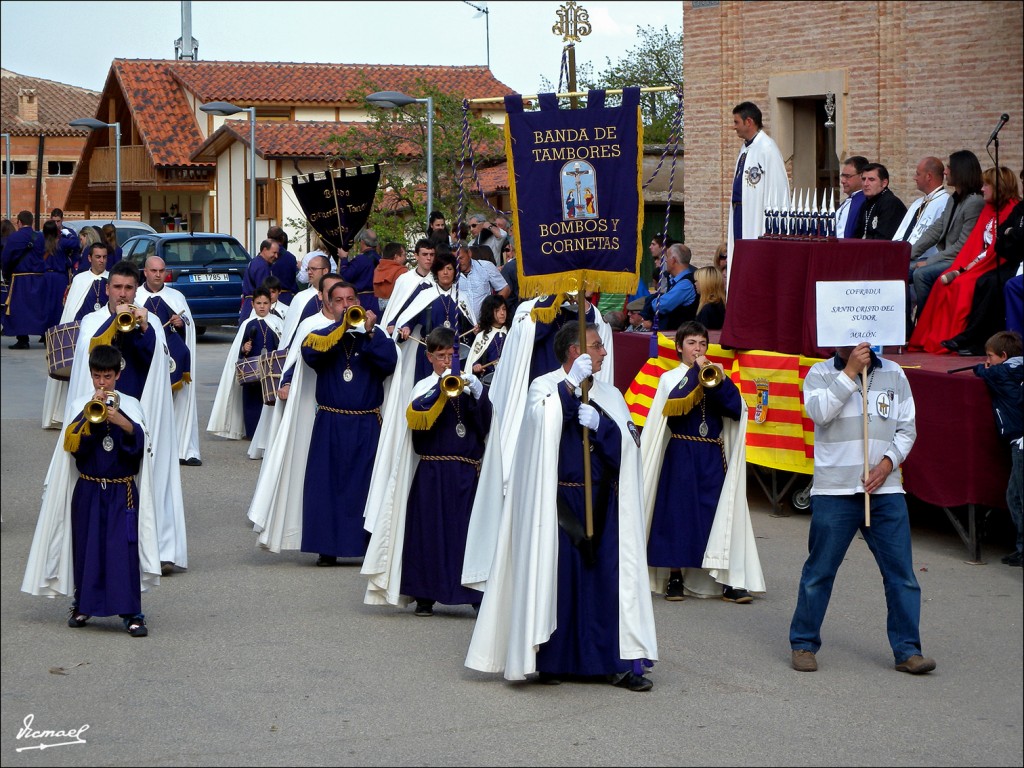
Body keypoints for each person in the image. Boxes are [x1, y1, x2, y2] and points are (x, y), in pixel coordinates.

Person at [465, 322, 658, 691]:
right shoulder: (544, 386)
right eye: (597, 345)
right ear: (575, 351)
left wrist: (602, 425)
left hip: (602, 500)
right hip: (558, 503)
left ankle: (610, 663)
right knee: (559, 581)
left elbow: (630, 446)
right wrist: (570, 390)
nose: (603, 352)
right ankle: (552, 658)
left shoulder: (611, 394)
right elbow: (541, 424)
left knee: (604, 582)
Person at [790, 342, 934, 674]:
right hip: (835, 490)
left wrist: (887, 463)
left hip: (886, 491)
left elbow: (906, 428)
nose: (855, 342)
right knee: (820, 571)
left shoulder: (895, 374)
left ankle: (908, 650)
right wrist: (850, 372)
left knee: (901, 574)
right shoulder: (820, 373)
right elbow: (819, 414)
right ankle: (803, 643)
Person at [21, 345, 159, 637]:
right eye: (96, 376)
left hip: (122, 492)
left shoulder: (132, 405)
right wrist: (91, 419)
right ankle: (83, 604)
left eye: (107, 377)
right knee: (87, 549)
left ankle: (132, 612)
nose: (101, 383)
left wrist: (119, 419)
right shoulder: (81, 406)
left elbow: (141, 452)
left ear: (118, 375)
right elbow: (72, 450)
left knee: (123, 552)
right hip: (89, 488)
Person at [67, 260, 187, 574]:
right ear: (107, 288)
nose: (122, 294)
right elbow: (84, 368)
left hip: (136, 411)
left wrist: (145, 329)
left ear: (137, 290)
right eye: (117, 287)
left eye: (128, 288)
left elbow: (161, 366)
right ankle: (98, 546)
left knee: (145, 477)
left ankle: (155, 547)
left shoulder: (150, 322)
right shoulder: (92, 323)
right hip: (98, 409)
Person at [362, 327, 490, 615]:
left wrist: (479, 395)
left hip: (465, 471)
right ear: (429, 356)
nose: (447, 362)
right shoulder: (423, 387)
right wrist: (440, 390)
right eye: (441, 356)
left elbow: (485, 427)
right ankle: (424, 595)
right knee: (428, 534)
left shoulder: (468, 386)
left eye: (451, 356)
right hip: (432, 470)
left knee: (464, 534)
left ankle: (471, 593)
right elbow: (417, 427)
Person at [641, 321, 765, 604]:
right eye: (691, 344)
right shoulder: (670, 378)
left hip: (711, 454)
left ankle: (725, 579)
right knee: (675, 514)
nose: (698, 349)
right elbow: (672, 410)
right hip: (681, 452)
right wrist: (697, 373)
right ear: (679, 348)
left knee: (717, 513)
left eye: (702, 344)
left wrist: (717, 382)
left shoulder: (718, 375)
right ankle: (675, 576)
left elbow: (735, 408)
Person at [299, 281, 397, 566]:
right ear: (329, 305)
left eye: (350, 299)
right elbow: (310, 354)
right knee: (326, 486)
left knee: (363, 487)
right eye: (339, 301)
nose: (345, 305)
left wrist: (367, 333)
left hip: (366, 422)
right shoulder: (323, 335)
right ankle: (326, 548)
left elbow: (389, 363)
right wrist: (340, 329)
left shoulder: (373, 335)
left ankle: (364, 546)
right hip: (331, 420)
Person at [909, 166, 1020, 354]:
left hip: (994, 262)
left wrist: (968, 267)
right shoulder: (978, 206)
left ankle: (962, 338)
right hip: (974, 260)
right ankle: (931, 336)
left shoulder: (1010, 208)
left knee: (962, 285)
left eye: (987, 185)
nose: (983, 189)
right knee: (942, 283)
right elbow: (973, 242)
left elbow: (995, 246)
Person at [942, 168, 1024, 355]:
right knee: (985, 281)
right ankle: (977, 340)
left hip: (1017, 263)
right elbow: (1000, 242)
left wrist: (1012, 234)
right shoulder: (1021, 208)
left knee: (996, 283)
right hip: (1013, 261)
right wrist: (1011, 235)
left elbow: (1013, 236)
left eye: (986, 184)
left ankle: (979, 339)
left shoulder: (1014, 206)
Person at [137, 255, 203, 465]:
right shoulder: (136, 296)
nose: (158, 275)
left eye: (161, 271)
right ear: (145, 272)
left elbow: (189, 326)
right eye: (154, 271)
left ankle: (184, 448)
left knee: (180, 399)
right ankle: (147, 446)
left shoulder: (176, 296)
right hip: (145, 358)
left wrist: (181, 322)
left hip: (173, 359)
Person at [41, 243, 111, 429]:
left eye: (104, 257)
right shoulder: (80, 280)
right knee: (79, 379)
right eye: (98, 257)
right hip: (81, 336)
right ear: (89, 258)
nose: (101, 260)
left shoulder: (112, 279)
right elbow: (70, 311)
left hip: (105, 338)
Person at [909, 150, 985, 321]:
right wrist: (908, 254)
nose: (945, 172)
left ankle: (925, 323)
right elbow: (935, 230)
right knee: (901, 269)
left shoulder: (974, 202)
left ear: (961, 171)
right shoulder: (954, 199)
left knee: (921, 274)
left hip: (960, 260)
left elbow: (963, 246)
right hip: (947, 257)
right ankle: (905, 327)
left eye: (949, 168)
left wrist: (928, 262)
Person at [972, 331, 1023, 567]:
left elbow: (983, 372)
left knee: (1016, 497)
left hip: (1021, 442)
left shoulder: (1001, 373)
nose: (987, 360)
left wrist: (984, 368)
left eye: (990, 355)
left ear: (1003, 356)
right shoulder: (1014, 369)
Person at [726, 101, 790, 284]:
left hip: (756, 218)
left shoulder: (767, 149)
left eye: (736, 122)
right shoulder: (745, 149)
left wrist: (771, 227)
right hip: (741, 214)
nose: (734, 127)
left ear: (749, 121)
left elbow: (778, 191)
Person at [394, 250, 476, 383]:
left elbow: (470, 326)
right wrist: (406, 327)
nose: (445, 272)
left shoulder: (462, 297)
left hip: (454, 354)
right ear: (436, 272)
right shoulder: (425, 295)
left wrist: (475, 329)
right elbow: (409, 318)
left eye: (449, 269)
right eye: (441, 269)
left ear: (455, 272)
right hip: (429, 353)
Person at [2, 211, 64, 349]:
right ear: (31, 222)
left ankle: (22, 339)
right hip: (38, 277)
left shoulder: (14, 238)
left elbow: (6, 258)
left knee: (20, 309)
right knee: (39, 308)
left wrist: (6, 273)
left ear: (19, 222)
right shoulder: (39, 237)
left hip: (20, 278)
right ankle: (46, 335)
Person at [239, 287, 283, 438]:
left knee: (269, 401)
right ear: (252, 304)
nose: (262, 306)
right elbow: (239, 349)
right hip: (252, 370)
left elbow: (281, 345)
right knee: (252, 401)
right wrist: (244, 348)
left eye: (265, 303)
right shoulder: (247, 323)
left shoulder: (277, 322)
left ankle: (269, 433)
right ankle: (252, 433)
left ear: (271, 304)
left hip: (271, 369)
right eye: (258, 303)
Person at [892, 157, 949, 244]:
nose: (914, 178)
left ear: (928, 176)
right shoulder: (917, 203)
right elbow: (900, 233)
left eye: (918, 174)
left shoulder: (945, 203)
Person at [648, 243, 697, 331]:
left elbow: (660, 306)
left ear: (673, 260)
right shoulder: (675, 280)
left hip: (681, 334)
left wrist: (650, 301)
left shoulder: (685, 284)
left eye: (667, 257)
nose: (665, 261)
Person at [852, 163, 907, 240]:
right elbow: (857, 235)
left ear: (884, 183)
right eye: (863, 179)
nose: (865, 184)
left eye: (871, 180)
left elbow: (884, 239)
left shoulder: (890, 203)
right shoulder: (866, 203)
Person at [457, 242, 509, 319]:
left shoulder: (486, 267)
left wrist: (492, 309)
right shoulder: (451, 274)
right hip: (462, 325)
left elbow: (505, 289)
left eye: (461, 258)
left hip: (485, 323)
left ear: (469, 253)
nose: (458, 262)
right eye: (455, 259)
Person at [339, 228, 381, 316]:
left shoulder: (360, 259)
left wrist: (343, 259)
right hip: (376, 301)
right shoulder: (380, 258)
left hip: (361, 301)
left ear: (362, 242)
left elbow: (345, 278)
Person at [466, 294, 508, 382]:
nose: (502, 313)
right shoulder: (482, 336)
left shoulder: (511, 332)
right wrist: (476, 366)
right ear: (489, 312)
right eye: (497, 310)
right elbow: (474, 360)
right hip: (488, 380)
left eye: (504, 309)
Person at [239, 239, 280, 324]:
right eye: (274, 253)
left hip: (248, 304)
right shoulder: (262, 267)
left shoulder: (255, 261)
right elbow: (263, 291)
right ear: (265, 250)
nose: (276, 256)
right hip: (254, 307)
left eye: (277, 253)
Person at [835, 156, 869, 239]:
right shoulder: (848, 201)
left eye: (847, 176)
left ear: (862, 176)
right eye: (842, 176)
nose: (842, 181)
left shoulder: (864, 201)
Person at [266, 226, 299, 306]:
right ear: (282, 238)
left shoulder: (265, 256)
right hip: (288, 298)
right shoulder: (291, 257)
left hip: (269, 297)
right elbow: (295, 278)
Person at [372, 241, 408, 311]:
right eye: (404, 255)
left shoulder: (377, 269)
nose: (405, 258)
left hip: (380, 310)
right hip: (398, 309)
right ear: (396, 257)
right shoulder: (402, 271)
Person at [693, 265, 727, 330]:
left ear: (705, 283)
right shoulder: (721, 304)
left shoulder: (708, 309)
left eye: (697, 281)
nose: (695, 283)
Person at [498, 239, 520, 315]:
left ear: (511, 247)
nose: (506, 253)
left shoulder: (509, 268)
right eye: (504, 251)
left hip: (516, 313)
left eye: (508, 250)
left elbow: (507, 296)